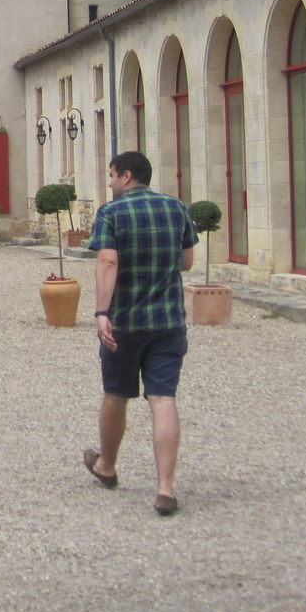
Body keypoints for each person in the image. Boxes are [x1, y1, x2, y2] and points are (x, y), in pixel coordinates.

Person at [81, 150, 197, 517]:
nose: (110, 181)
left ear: (127, 175)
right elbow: (187, 261)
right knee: (163, 399)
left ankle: (107, 466)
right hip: (167, 321)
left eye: (112, 175)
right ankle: (165, 488)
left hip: (126, 321)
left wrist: (102, 312)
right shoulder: (176, 207)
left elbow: (107, 260)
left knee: (116, 393)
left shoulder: (111, 213)